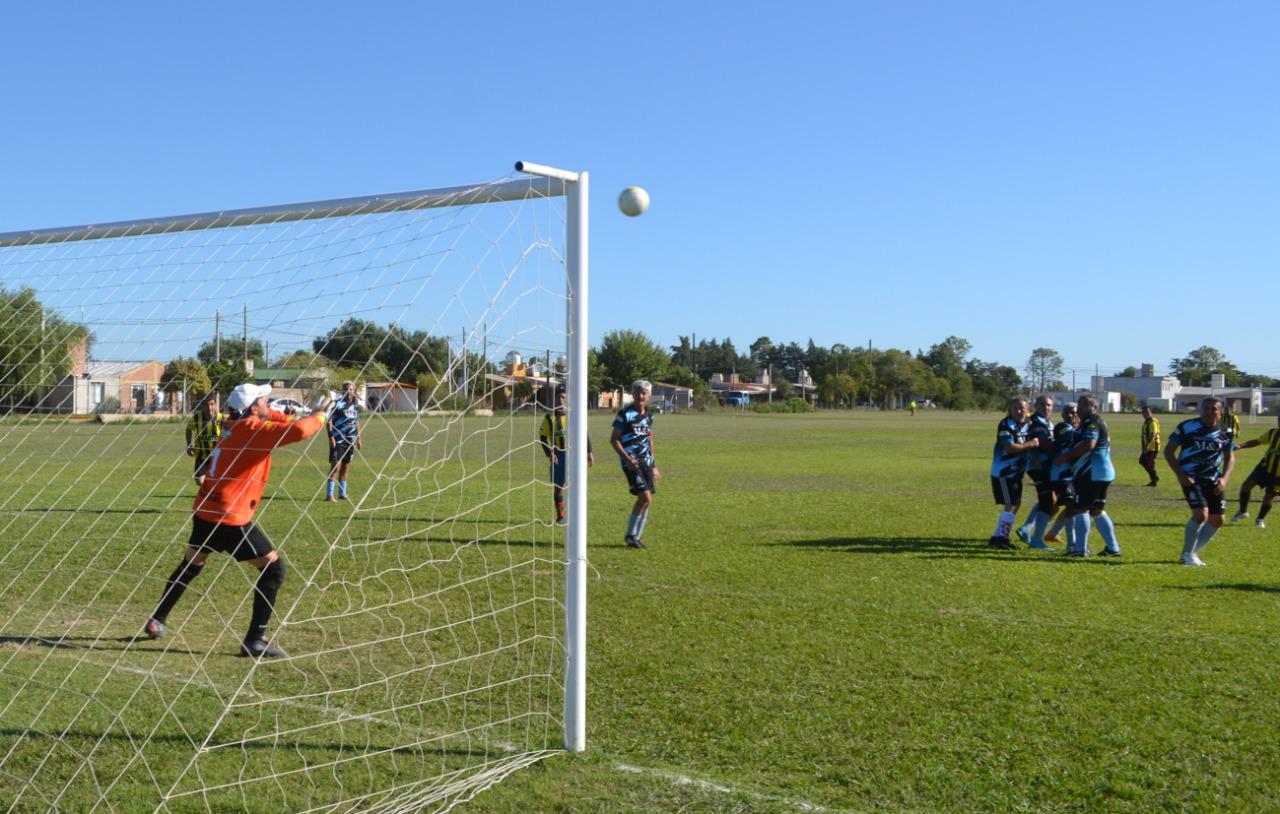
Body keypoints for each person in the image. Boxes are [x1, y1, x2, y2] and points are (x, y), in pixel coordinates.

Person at [144, 383, 329, 657]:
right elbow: (300, 430)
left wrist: (283, 414)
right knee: (273, 569)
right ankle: (255, 639)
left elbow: (272, 419)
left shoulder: (232, 425)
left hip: (207, 508)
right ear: (254, 407)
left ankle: (156, 618)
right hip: (230, 517)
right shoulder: (251, 430)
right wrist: (320, 416)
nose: (270, 405)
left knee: (191, 565)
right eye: (265, 401)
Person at [1164, 397, 1235, 566]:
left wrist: (1224, 479)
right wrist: (1180, 475)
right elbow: (1168, 451)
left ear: (1221, 412)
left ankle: (1190, 553)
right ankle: (1188, 555)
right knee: (1201, 514)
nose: (1209, 412)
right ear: (1200, 410)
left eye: (1214, 409)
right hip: (1191, 478)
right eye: (1206, 408)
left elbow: (1229, 456)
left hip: (1213, 479)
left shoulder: (1226, 431)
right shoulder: (1186, 427)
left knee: (1217, 519)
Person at [1055, 395, 1120, 557]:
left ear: (1094, 407)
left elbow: (1088, 444)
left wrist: (1066, 456)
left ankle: (1080, 549)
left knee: (1080, 509)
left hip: (1091, 472)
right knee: (1096, 510)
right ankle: (1113, 548)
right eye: (1080, 405)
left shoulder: (1092, 423)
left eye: (1085, 405)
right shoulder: (1089, 422)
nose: (1080, 408)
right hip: (1101, 472)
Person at [611, 379, 661, 549]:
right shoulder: (624, 414)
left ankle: (636, 537)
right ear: (633, 394)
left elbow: (650, 440)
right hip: (631, 463)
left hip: (646, 462)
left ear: (648, 396)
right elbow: (614, 440)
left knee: (648, 501)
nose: (641, 395)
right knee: (644, 497)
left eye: (644, 393)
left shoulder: (649, 416)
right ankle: (631, 535)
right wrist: (627, 459)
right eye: (638, 392)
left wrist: (653, 465)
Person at [539, 384, 595, 525]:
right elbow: (542, 437)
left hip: (575, 454)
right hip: (559, 455)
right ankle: (561, 516)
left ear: (568, 398)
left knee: (577, 485)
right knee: (559, 486)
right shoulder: (549, 418)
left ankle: (577, 515)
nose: (561, 400)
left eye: (563, 397)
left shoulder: (575, 416)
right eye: (558, 397)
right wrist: (549, 453)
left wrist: (589, 452)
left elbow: (584, 434)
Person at [988, 397, 1038, 550]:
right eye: (1015, 408)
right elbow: (1009, 447)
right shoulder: (1006, 424)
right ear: (1009, 409)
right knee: (1012, 504)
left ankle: (997, 537)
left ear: (1028, 409)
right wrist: (1031, 443)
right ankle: (1001, 538)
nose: (1018, 411)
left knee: (1015, 504)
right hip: (1004, 471)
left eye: (1022, 408)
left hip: (1017, 471)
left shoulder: (1030, 423)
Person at [1014, 395, 1057, 550]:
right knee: (1047, 502)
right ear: (1036, 406)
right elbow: (1044, 445)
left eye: (1049, 405)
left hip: (1045, 467)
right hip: (1039, 467)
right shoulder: (1036, 422)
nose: (1046, 408)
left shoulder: (1046, 422)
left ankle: (1027, 528)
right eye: (1043, 404)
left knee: (1050, 500)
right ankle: (1036, 540)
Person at [1230, 413, 1280, 529]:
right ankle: (1243, 512)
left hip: (1278, 476)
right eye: (1279, 419)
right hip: (1263, 468)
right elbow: (1258, 441)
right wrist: (1240, 446)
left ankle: (1260, 519)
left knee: (1268, 497)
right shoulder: (1273, 432)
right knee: (1246, 486)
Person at [1043, 403, 1079, 546]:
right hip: (1061, 475)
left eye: (1074, 413)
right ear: (1063, 414)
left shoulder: (1074, 428)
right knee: (1072, 507)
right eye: (1068, 412)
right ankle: (1072, 545)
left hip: (1069, 475)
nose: (1072, 415)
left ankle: (1052, 534)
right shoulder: (1062, 428)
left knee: (1072, 507)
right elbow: (1075, 439)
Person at [326, 381, 363, 502]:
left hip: (350, 441)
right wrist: (331, 436)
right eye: (346, 389)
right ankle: (329, 495)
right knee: (335, 467)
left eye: (351, 389)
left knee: (345, 468)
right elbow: (329, 421)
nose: (348, 391)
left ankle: (342, 494)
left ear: (354, 391)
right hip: (338, 440)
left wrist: (359, 439)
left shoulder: (356, 406)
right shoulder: (338, 404)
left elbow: (356, 422)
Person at [185, 394, 224, 486]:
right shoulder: (197, 417)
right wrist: (189, 445)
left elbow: (228, 434)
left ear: (215, 405)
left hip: (217, 454)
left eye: (212, 404)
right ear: (202, 406)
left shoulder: (220, 418)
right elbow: (189, 429)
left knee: (218, 478)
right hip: (201, 454)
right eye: (206, 405)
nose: (209, 407)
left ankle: (211, 494)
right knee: (199, 481)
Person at [1138, 405, 1161, 486]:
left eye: (1147, 412)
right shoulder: (1146, 422)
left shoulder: (1152, 421)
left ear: (1151, 412)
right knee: (1142, 461)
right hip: (1147, 447)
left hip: (1153, 447)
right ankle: (1155, 477)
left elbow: (1153, 434)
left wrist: (1147, 445)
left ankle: (1154, 481)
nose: (1145, 414)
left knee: (1149, 463)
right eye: (1143, 412)